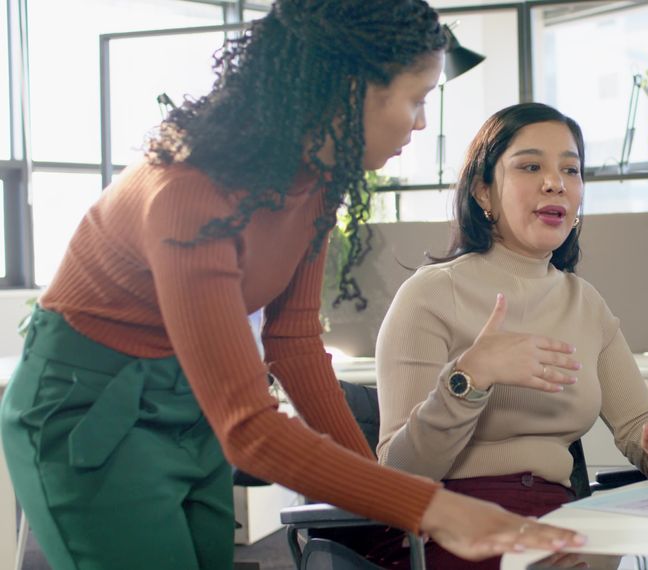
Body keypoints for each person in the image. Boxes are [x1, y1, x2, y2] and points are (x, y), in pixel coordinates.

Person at [0, 3, 583, 569]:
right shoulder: (190, 194)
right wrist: (431, 508)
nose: (422, 121)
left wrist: (384, 502)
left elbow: (296, 344)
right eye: (415, 98)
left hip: (186, 400)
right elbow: (249, 430)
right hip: (89, 406)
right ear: (348, 88)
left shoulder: (317, 181)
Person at [373, 102, 648, 569]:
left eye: (570, 169)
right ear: (484, 192)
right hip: (455, 527)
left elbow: (639, 428)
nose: (555, 182)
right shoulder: (431, 294)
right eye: (531, 166)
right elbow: (398, 476)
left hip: (563, 523)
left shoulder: (585, 303)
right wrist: (469, 378)